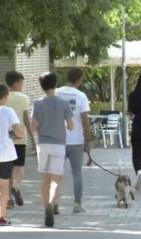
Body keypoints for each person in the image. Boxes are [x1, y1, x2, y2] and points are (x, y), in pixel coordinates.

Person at [32, 72, 74, 227]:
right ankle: (52, 202)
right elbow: (71, 126)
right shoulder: (64, 103)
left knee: (45, 178)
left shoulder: (37, 103)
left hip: (43, 144)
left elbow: (33, 127)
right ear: (55, 84)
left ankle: (46, 207)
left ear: (41, 86)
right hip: (59, 144)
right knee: (56, 179)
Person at [0, 83, 25, 226]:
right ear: (6, 96)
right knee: (4, 186)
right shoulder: (8, 111)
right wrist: (21, 134)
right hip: (5, 153)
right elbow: (17, 130)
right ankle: (2, 217)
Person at [56, 67, 90, 213]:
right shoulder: (80, 96)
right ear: (78, 79)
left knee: (56, 173)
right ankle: (77, 204)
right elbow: (85, 119)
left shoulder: (56, 93)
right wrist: (88, 140)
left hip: (58, 139)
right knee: (77, 173)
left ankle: (54, 203)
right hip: (76, 140)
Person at [5, 71, 36, 209]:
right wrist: (32, 139)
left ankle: (9, 199)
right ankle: (17, 187)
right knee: (19, 167)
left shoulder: (3, 97)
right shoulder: (23, 98)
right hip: (20, 138)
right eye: (22, 83)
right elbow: (26, 120)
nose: (23, 85)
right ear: (17, 83)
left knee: (8, 169)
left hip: (6, 139)